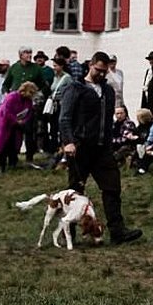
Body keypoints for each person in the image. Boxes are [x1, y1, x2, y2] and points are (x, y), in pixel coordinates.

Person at [60, 52, 143, 244]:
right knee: (75, 190)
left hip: (102, 148)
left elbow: (107, 120)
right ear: (90, 65)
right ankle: (68, 233)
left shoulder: (107, 91)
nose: (101, 74)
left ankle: (117, 231)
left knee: (112, 187)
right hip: (80, 146)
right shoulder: (75, 88)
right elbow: (64, 118)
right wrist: (69, 141)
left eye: (104, 71)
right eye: (98, 70)